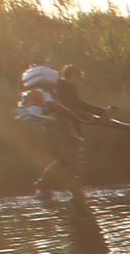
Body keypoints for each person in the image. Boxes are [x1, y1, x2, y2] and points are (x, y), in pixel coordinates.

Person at [16, 62, 115, 201]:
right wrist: (101, 111)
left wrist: (91, 117)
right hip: (59, 127)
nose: (80, 81)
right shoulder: (65, 87)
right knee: (71, 157)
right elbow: (76, 105)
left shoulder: (57, 88)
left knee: (63, 160)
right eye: (79, 77)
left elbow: (71, 109)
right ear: (72, 75)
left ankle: (46, 188)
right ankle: (73, 192)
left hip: (52, 127)